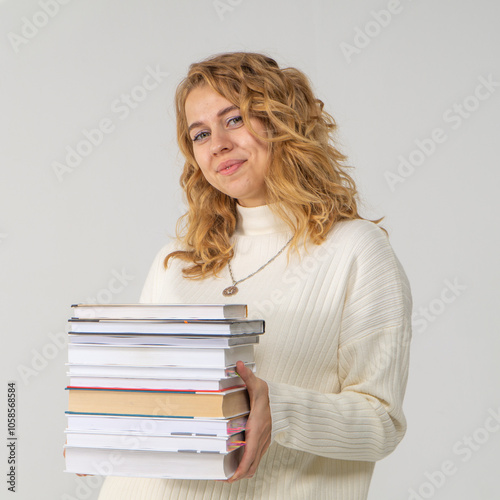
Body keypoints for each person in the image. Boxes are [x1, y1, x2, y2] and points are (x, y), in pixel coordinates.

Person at [98, 51, 412, 500]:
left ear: (282, 122)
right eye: (200, 133)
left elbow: (382, 423)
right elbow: (148, 398)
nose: (217, 145)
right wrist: (105, 429)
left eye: (234, 119)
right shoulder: (176, 262)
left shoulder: (356, 250)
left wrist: (277, 408)